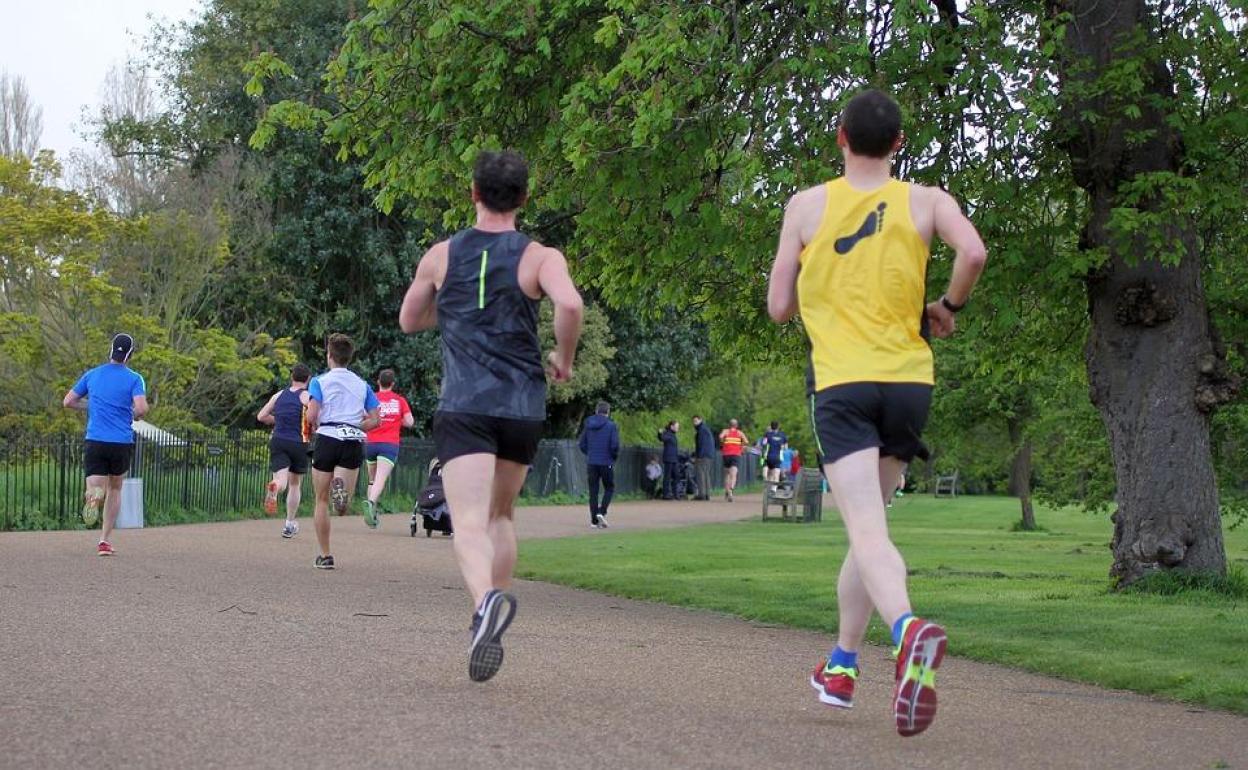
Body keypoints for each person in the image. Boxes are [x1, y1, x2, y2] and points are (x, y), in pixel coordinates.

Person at [767, 88, 987, 736]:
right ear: (897, 144)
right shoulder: (927, 200)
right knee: (871, 533)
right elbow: (972, 254)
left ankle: (908, 629)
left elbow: (779, 307)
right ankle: (841, 665)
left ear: (840, 137)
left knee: (865, 530)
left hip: (842, 382)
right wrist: (948, 306)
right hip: (908, 381)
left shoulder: (807, 206)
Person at [398, 149, 584, 683]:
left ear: (473, 194)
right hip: (521, 405)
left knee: (469, 521)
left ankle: (484, 606)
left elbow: (410, 319)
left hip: (465, 404)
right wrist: (563, 360)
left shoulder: (441, 255)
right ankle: (494, 607)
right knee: (501, 517)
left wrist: (450, 310)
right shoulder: (540, 257)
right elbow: (569, 306)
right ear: (524, 198)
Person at [62, 333, 148, 556]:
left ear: (111, 350)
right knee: (116, 487)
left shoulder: (92, 374)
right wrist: (130, 414)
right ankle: (104, 540)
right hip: (120, 441)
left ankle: (93, 496)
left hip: (96, 439)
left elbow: (68, 401)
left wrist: (92, 406)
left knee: (95, 485)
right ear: (129, 355)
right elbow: (141, 408)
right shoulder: (134, 378)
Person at [305, 334, 382, 570]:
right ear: (349, 357)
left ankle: (325, 555)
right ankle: (340, 487)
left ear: (329, 355)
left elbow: (311, 415)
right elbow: (376, 420)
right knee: (343, 507)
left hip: (327, 437)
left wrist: (314, 420)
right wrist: (358, 424)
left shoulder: (319, 381)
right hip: (351, 438)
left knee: (320, 500)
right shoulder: (363, 385)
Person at [256, 363, 313, 538]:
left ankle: (275, 487)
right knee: (295, 484)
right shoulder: (307, 396)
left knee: (281, 480)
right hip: (298, 442)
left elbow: (261, 416)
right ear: (308, 379)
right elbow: (313, 418)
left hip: (278, 439)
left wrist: (278, 420)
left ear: (291, 377)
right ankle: (289, 523)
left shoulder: (279, 395)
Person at [364, 368, 415, 529]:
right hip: (389, 444)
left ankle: (372, 515)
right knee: (381, 479)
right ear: (392, 383)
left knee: (372, 480)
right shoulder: (399, 401)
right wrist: (397, 420)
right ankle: (371, 503)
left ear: (378, 382)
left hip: (370, 443)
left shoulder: (371, 398)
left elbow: (363, 417)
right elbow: (410, 422)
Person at [578, 401, 619, 528]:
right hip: (606, 462)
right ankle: (601, 511)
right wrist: (613, 457)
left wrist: (590, 454)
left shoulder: (588, 424)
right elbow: (614, 445)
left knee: (593, 491)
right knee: (609, 487)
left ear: (596, 411)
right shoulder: (611, 426)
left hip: (592, 462)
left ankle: (593, 521)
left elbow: (582, 444)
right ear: (608, 412)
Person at [718, 419, 748, 502]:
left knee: (727, 474)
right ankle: (731, 490)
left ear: (729, 425)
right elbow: (746, 441)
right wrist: (741, 447)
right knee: (733, 474)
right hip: (736, 454)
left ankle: (727, 491)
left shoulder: (726, 431)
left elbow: (720, 437)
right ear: (736, 425)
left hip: (726, 454)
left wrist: (723, 443)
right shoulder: (740, 433)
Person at [691, 415, 716, 501]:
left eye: (696, 421)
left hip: (703, 455)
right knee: (706, 474)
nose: (694, 423)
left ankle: (702, 494)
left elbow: (701, 444)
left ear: (700, 420)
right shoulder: (705, 429)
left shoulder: (701, 430)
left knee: (701, 474)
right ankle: (706, 494)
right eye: (693, 421)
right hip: (708, 455)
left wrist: (698, 456)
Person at [657, 421, 680, 500]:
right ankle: (666, 494)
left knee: (676, 476)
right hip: (668, 458)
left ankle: (675, 493)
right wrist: (659, 433)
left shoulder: (673, 435)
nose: (678, 428)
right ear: (671, 426)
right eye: (676, 426)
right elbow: (662, 438)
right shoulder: (668, 433)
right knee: (667, 476)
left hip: (674, 459)